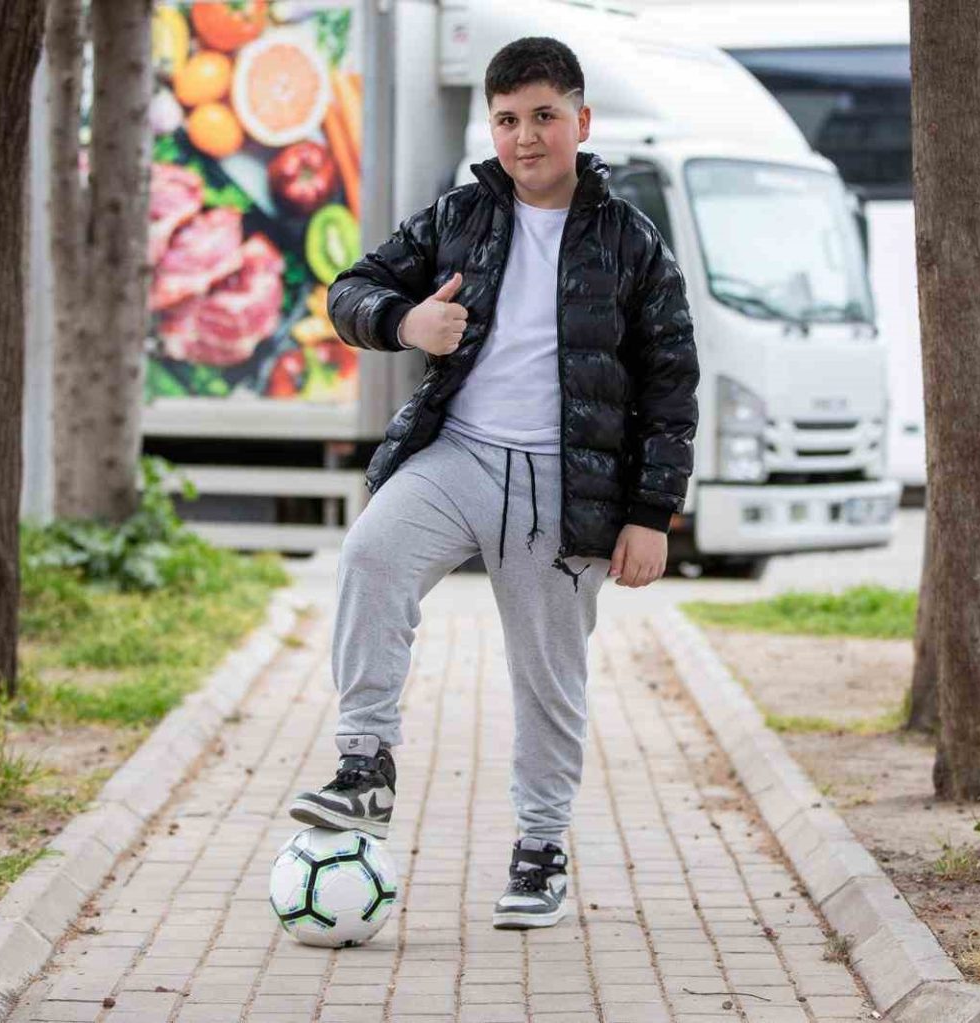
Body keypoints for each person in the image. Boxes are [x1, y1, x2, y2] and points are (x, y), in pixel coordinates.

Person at [286, 35, 698, 930]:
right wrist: (405, 322)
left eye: (544, 116)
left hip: (566, 490)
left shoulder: (631, 243)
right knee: (370, 556)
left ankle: (540, 848)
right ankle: (363, 766)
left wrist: (651, 512)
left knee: (547, 675)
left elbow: (672, 385)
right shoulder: (461, 216)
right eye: (507, 120)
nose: (525, 137)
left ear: (581, 122)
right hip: (458, 455)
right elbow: (350, 290)